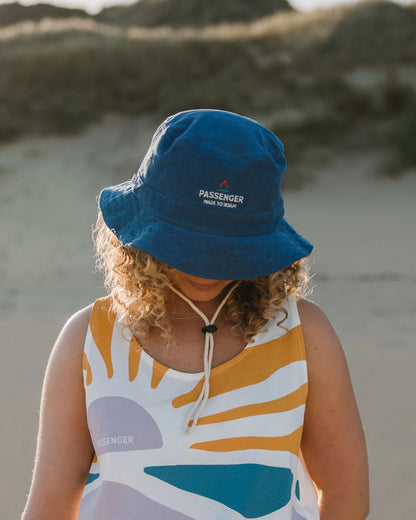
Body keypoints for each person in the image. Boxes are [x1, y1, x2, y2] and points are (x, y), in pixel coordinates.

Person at [22, 109, 369, 520]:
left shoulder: (302, 334)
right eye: (190, 246)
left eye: (227, 249)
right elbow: (49, 510)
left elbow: (346, 497)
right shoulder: (88, 338)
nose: (206, 269)